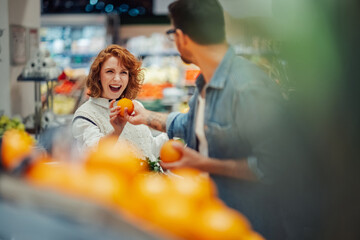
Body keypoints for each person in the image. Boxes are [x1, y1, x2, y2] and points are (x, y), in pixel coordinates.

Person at [125, 0, 307, 239]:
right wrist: (146, 117)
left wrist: (203, 163)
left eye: (172, 34)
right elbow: (191, 125)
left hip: (250, 226)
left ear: (181, 37)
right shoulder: (205, 84)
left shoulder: (247, 87)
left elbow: (276, 166)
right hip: (213, 221)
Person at [72, 44, 168, 161]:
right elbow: (93, 155)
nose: (117, 79)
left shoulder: (135, 106)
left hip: (148, 178)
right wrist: (116, 131)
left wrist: (177, 132)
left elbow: (149, 148)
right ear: (98, 76)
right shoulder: (85, 115)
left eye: (123, 72)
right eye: (110, 71)